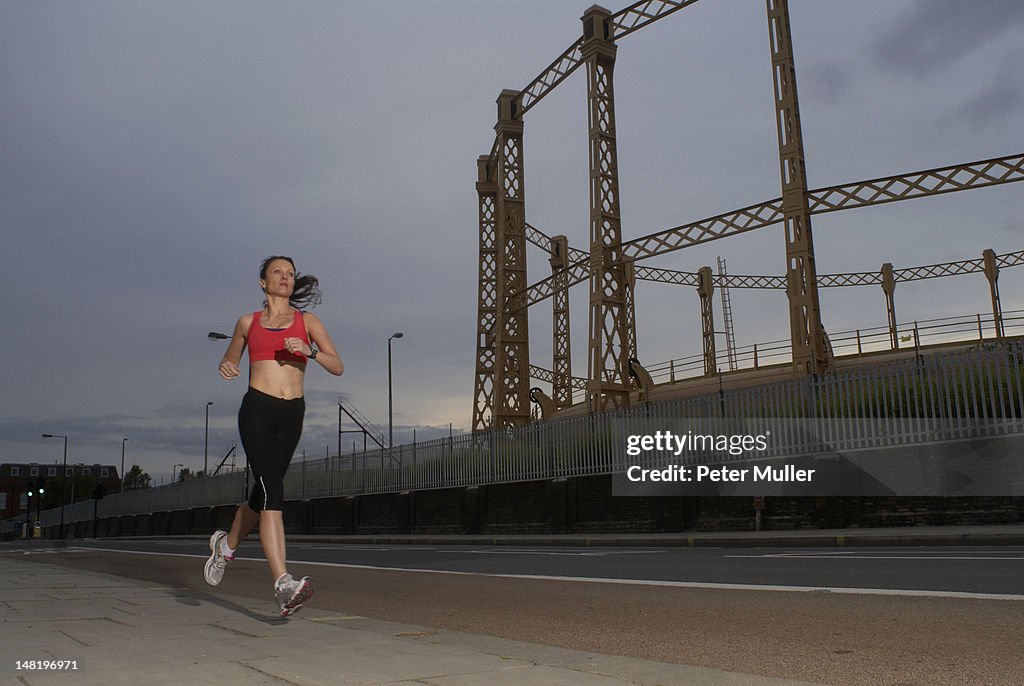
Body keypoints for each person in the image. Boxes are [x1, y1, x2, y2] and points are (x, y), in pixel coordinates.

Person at [204, 255, 343, 617]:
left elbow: (337, 365)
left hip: (292, 414)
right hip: (258, 410)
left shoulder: (307, 321)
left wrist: (310, 350)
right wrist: (227, 364)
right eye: (278, 273)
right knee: (273, 492)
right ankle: (283, 583)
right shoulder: (247, 322)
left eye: (290, 273)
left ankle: (226, 546)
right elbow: (230, 357)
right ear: (263, 283)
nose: (285, 277)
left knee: (261, 494)